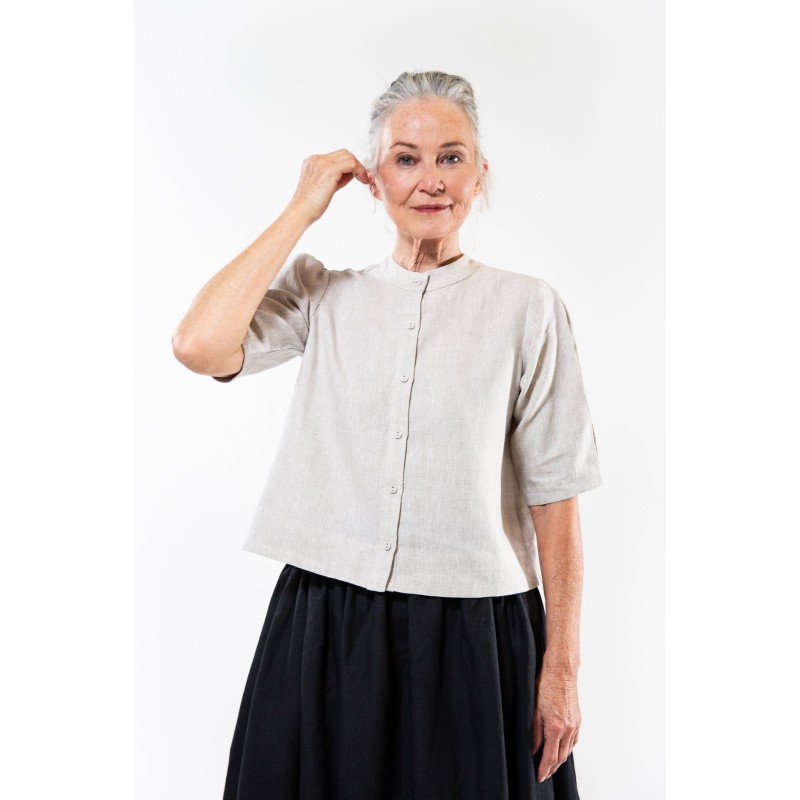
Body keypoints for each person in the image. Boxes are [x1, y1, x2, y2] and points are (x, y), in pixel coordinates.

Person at [172, 70, 603, 800]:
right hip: (326, 621)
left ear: (479, 174)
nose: (430, 180)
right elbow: (198, 345)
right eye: (405, 158)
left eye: (450, 157)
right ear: (372, 180)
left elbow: (556, 496)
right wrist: (301, 209)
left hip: (476, 632)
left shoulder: (528, 308)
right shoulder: (323, 296)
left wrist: (562, 667)